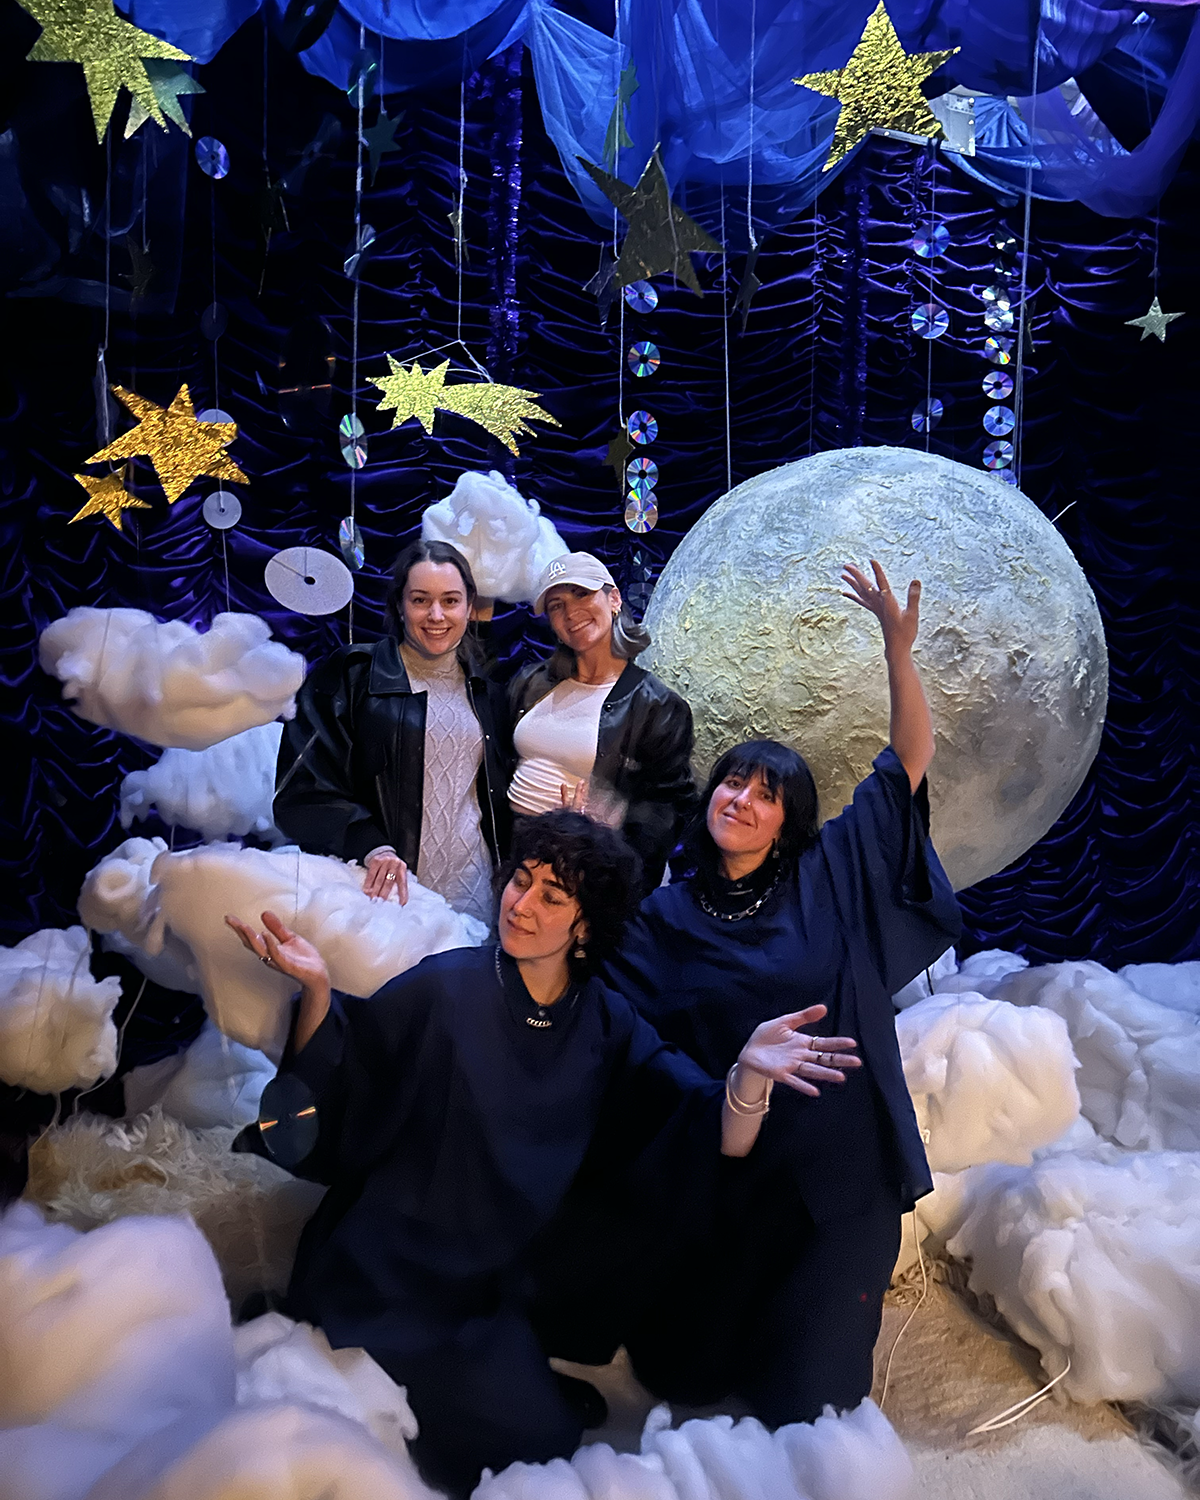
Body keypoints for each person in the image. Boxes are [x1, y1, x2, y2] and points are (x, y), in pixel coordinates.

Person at [225, 810, 859, 1497]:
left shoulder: (605, 1023)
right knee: (486, 1455)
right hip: (384, 1273)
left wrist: (746, 1078)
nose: (521, 904)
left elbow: (701, 1126)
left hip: (483, 1289)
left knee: (549, 1443)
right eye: (520, 881)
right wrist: (318, 991)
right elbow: (343, 1081)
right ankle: (305, 1321)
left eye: (552, 897)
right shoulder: (446, 987)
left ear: (585, 926)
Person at [595, 559, 963, 1427]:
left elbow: (908, 758)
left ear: (789, 821)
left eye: (768, 794)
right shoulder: (665, 917)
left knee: (808, 1405)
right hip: (728, 1174)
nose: (744, 800)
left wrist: (895, 649)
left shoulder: (830, 872)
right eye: (732, 782)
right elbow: (616, 1038)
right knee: (683, 1376)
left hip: (837, 1176)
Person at [272, 540, 511, 925]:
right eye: (420, 600)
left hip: (477, 897)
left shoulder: (487, 692)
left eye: (450, 601)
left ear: (469, 607)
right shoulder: (352, 675)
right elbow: (300, 792)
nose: (436, 614)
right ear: (400, 605)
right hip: (383, 896)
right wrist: (370, 845)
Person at [507, 552, 696, 892]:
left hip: (585, 877)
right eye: (556, 605)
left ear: (614, 599)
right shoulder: (529, 682)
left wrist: (599, 832)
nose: (570, 613)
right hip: (515, 863)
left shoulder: (657, 706)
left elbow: (667, 817)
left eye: (582, 594)